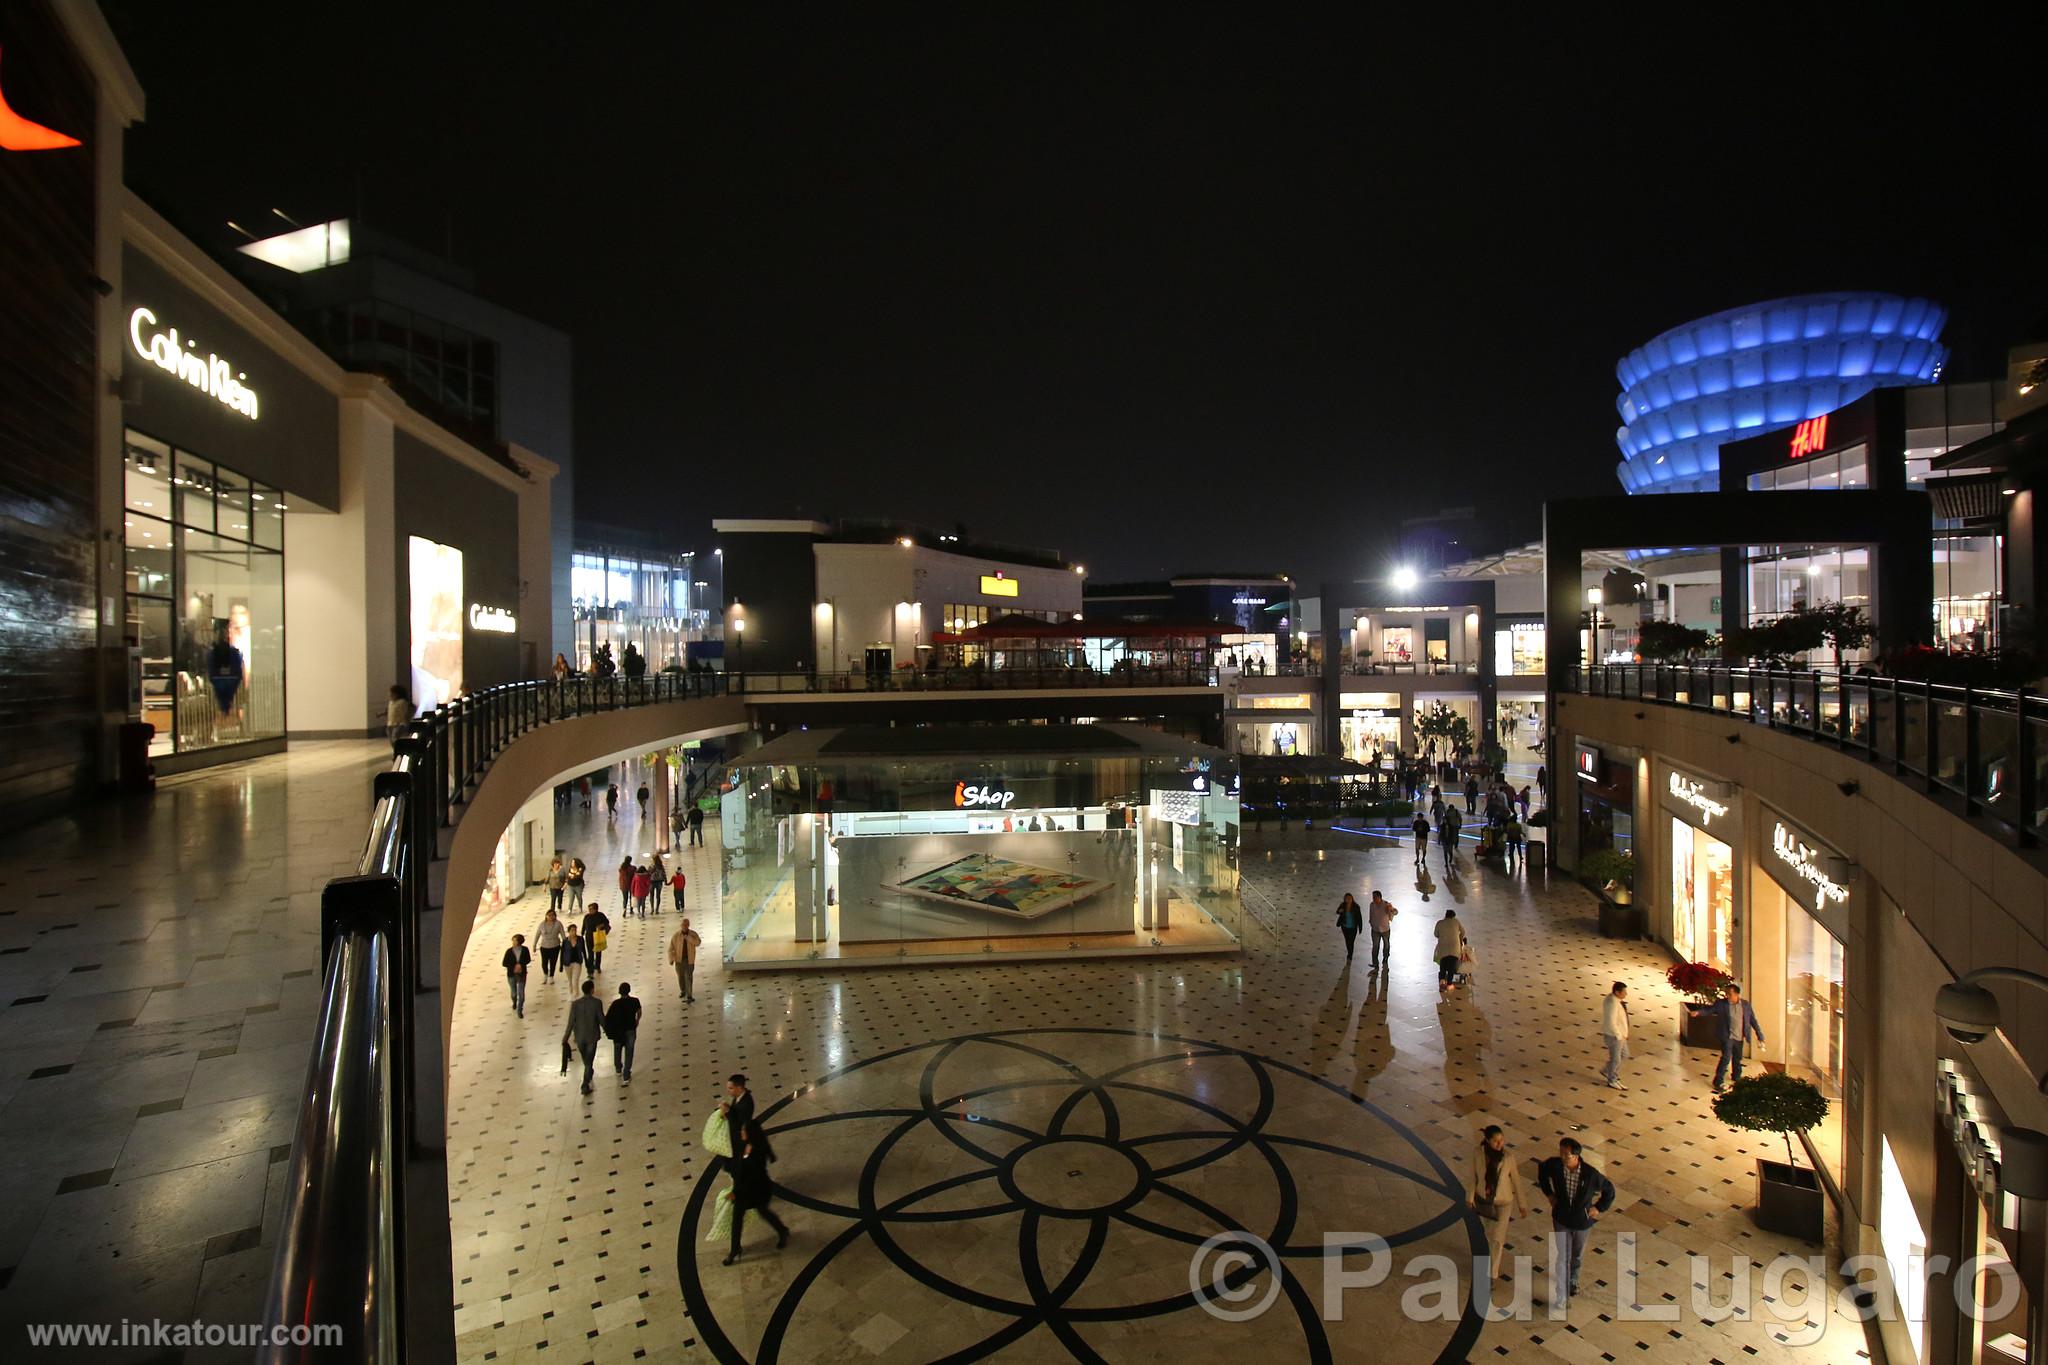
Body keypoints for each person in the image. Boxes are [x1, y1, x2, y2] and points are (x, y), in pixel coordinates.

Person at [1536, 1138, 1615, 1307]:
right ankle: (1562, 1296)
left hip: (1582, 1222)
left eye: (1567, 1154)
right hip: (1561, 1219)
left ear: (1576, 1156)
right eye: (1562, 1153)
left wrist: (1598, 1208)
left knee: (1576, 1254)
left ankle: (1573, 1279)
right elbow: (1542, 1170)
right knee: (1563, 1256)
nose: (1563, 1157)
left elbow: (1609, 1190)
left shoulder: (1590, 1174)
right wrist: (1549, 1193)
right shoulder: (1555, 1166)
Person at [722, 1118, 791, 1265]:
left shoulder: (757, 1153)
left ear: (750, 1134)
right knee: (737, 1218)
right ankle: (735, 1249)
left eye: (743, 1131)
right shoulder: (744, 1145)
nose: (741, 1133)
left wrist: (736, 1192)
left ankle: (782, 1230)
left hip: (756, 1189)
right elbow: (737, 1165)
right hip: (744, 1189)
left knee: (763, 1211)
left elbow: (751, 1177)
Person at [1470, 1125, 1529, 1281]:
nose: (1499, 1144)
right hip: (1485, 1201)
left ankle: (1492, 1274)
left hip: (1504, 1202)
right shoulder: (1478, 1154)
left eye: (1501, 1140)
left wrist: (1522, 1204)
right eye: (1496, 1141)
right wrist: (1469, 1197)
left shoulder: (1508, 1158)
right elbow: (1473, 1176)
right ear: (1488, 1141)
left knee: (1497, 1238)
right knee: (1489, 1235)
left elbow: (1516, 1181)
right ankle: (1488, 1262)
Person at [1696, 982, 1763, 1091]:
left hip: (1739, 1037)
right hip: (1727, 1036)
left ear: (1737, 994)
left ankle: (1737, 1077)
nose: (1727, 996)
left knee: (1737, 1058)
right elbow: (1709, 1010)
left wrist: (1760, 1035)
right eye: (1726, 994)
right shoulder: (1721, 1004)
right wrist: (1699, 1012)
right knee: (1726, 1058)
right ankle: (1718, 1081)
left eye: (1730, 994)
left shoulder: (1745, 1005)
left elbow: (1753, 1020)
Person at [563, 980, 606, 1095]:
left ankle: (588, 1076)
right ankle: (584, 1084)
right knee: (588, 1062)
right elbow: (601, 1019)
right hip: (592, 1036)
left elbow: (571, 1022)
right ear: (592, 990)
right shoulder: (597, 1003)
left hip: (580, 1037)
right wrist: (608, 1031)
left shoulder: (575, 1004)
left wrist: (565, 1037)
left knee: (586, 1060)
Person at [604, 982, 641, 1082]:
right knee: (629, 1051)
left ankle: (618, 1068)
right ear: (629, 990)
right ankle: (626, 1073)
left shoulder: (615, 1004)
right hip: (630, 1029)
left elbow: (608, 1018)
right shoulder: (635, 1001)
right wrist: (637, 1020)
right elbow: (639, 1012)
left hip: (618, 1031)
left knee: (617, 1049)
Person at [1600, 982, 1630, 1089]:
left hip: (1620, 1035)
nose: (1626, 994)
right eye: (1624, 992)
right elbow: (1611, 1021)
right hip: (1614, 1036)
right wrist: (1618, 1035)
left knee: (1624, 1054)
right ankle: (1612, 1079)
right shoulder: (1612, 1003)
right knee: (1616, 1059)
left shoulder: (1615, 1000)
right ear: (1617, 992)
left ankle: (1607, 1070)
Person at [1434, 909, 1467, 995]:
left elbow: (1436, 934)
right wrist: (1459, 939)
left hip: (1443, 947)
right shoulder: (1456, 921)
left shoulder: (1440, 923)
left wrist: (1442, 935)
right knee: (1451, 967)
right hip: (1454, 947)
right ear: (1453, 916)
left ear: (1446, 915)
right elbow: (1463, 932)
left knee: (1443, 966)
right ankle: (1449, 984)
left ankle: (1442, 984)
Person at [669, 918, 702, 1001]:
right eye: (683, 925)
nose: (685, 926)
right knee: (681, 977)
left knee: (689, 977)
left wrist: (689, 938)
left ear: (688, 925)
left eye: (686, 925)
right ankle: (683, 991)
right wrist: (671, 958)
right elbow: (671, 948)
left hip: (689, 960)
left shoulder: (693, 934)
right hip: (679, 960)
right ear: (681, 926)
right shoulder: (676, 935)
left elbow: (698, 943)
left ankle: (689, 995)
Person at [721, 1074, 756, 1152]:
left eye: (731, 1088)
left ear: (739, 1088)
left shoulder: (746, 1104)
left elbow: (737, 1123)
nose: (728, 1091)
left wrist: (727, 1112)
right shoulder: (739, 1096)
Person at [1367, 890, 1398, 973]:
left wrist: (1391, 909)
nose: (1373, 899)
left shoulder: (1386, 905)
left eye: (1375, 897)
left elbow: (1395, 912)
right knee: (1375, 946)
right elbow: (1371, 914)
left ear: (1380, 897)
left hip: (1385, 930)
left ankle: (1385, 958)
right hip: (1375, 929)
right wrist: (1371, 922)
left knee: (1386, 944)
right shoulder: (1372, 905)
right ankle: (1375, 963)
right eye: (1373, 897)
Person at [502, 933, 531, 1017]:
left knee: (521, 993)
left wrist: (521, 965)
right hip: (511, 974)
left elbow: (528, 959)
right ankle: (514, 1001)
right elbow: (504, 963)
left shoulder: (525, 950)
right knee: (514, 992)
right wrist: (514, 966)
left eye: (515, 940)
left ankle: (520, 1010)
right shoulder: (509, 951)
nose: (513, 942)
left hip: (522, 974)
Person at [535, 908, 565, 981]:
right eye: (549, 915)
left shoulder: (558, 924)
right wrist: (534, 945)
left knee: (553, 962)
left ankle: (551, 976)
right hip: (544, 946)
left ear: (555, 916)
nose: (551, 917)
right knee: (544, 962)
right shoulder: (542, 924)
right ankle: (545, 974)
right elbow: (537, 935)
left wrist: (565, 944)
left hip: (555, 946)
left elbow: (563, 934)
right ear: (546, 916)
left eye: (552, 915)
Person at [582, 903, 610, 975]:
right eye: (589, 909)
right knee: (590, 954)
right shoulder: (587, 917)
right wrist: (582, 933)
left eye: (591, 909)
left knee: (598, 953)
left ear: (595, 909)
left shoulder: (600, 915)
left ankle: (597, 966)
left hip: (598, 937)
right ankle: (590, 969)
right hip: (589, 938)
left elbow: (606, 922)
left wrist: (601, 925)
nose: (590, 911)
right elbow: (584, 926)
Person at [386, 685, 415, 751]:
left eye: (392, 693)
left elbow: (405, 712)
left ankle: (399, 750)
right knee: (391, 740)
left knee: (395, 738)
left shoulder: (402, 702)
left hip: (399, 724)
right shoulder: (391, 702)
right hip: (390, 724)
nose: (390, 695)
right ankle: (396, 750)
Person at [1335, 894, 1363, 961]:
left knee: (1351, 941)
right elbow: (1337, 911)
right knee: (1347, 941)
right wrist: (1340, 911)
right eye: (1347, 899)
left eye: (1350, 899)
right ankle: (1349, 952)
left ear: (1352, 899)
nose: (1348, 900)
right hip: (1345, 927)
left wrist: (1360, 927)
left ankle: (1350, 954)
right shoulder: (1343, 905)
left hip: (1353, 928)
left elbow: (1359, 918)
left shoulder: (1356, 907)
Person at [562, 924, 587, 995]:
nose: (574, 932)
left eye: (575, 930)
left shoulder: (580, 939)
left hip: (577, 962)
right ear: (569, 931)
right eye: (572, 930)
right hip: (567, 963)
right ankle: (571, 993)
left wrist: (586, 960)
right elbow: (562, 952)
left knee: (575, 980)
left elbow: (583, 950)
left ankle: (575, 995)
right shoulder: (565, 941)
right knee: (570, 981)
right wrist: (561, 965)